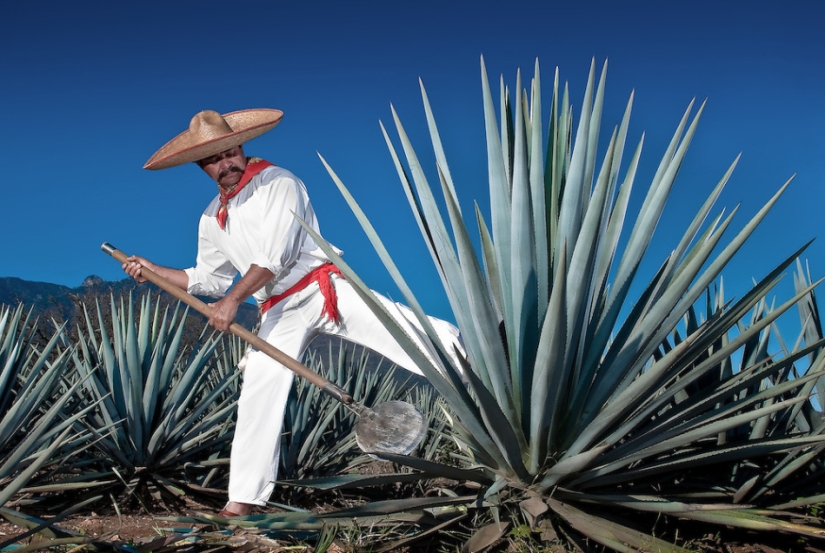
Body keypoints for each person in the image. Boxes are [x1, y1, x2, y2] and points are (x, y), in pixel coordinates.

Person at [123, 109, 464, 517]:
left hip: (323, 289)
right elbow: (207, 280)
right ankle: (243, 502)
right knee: (258, 392)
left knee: (409, 334)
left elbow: (275, 256)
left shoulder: (278, 182)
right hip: (277, 308)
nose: (225, 163)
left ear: (241, 147)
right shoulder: (212, 218)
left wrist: (233, 302)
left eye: (230, 152)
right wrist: (154, 271)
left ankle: (489, 383)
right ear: (202, 166)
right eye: (214, 159)